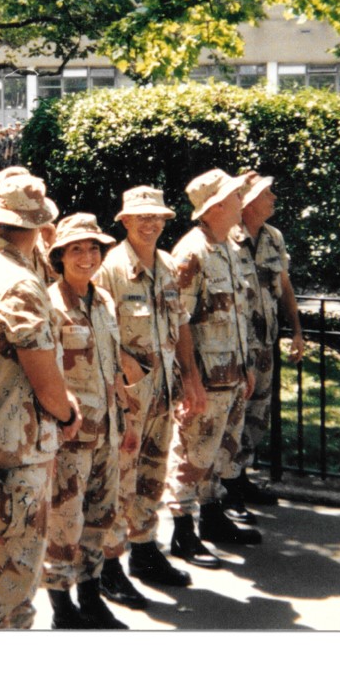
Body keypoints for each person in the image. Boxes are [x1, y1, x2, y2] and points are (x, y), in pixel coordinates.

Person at [0, 174, 81, 628]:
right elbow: (44, 377)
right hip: (20, 436)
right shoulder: (18, 282)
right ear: (36, 225)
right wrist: (67, 413)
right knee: (18, 561)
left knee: (6, 545)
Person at [94, 185, 206, 602]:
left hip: (162, 391)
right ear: (124, 221)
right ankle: (109, 565)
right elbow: (96, 330)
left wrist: (191, 379)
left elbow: (181, 327)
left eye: (157, 216)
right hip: (128, 396)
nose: (151, 223)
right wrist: (128, 370)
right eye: (142, 216)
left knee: (152, 475)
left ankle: (143, 550)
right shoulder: (110, 270)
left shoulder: (167, 265)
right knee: (119, 479)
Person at [166, 169, 260, 568]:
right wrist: (189, 379)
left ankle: (213, 518)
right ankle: (182, 532)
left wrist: (247, 366)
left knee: (222, 450)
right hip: (205, 378)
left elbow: (238, 313)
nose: (243, 201)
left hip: (232, 374)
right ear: (217, 206)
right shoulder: (192, 252)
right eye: (237, 196)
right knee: (192, 453)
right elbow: (179, 320)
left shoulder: (228, 248)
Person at [41, 214, 130, 629]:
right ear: (59, 256)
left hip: (107, 431)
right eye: (76, 248)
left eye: (93, 248)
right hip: (70, 437)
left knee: (99, 518)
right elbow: (45, 376)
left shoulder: (105, 301)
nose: (87, 256)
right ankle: (62, 607)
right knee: (64, 521)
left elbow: (112, 369)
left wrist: (123, 419)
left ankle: (91, 594)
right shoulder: (50, 306)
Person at [219, 172, 305, 518]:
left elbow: (284, 286)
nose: (274, 199)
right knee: (232, 417)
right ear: (249, 200)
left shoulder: (273, 238)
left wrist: (297, 330)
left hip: (264, 344)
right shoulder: (225, 238)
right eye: (267, 193)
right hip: (233, 347)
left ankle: (241, 476)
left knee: (257, 415)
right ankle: (226, 489)